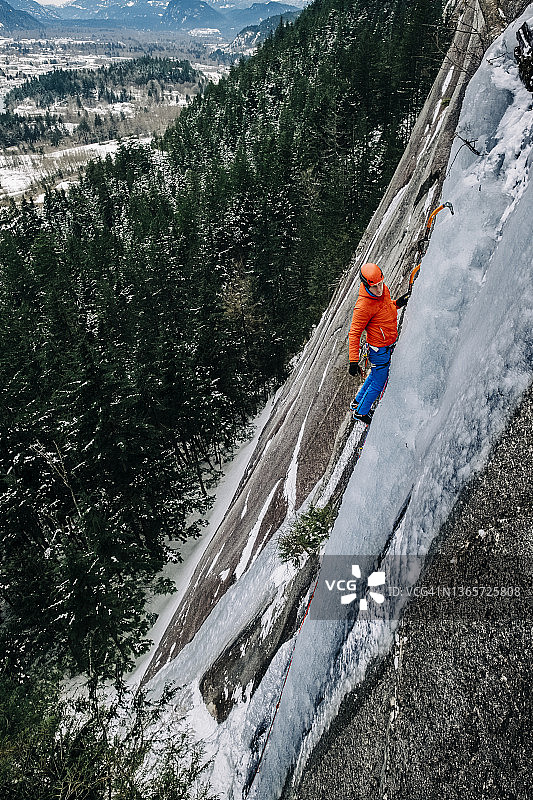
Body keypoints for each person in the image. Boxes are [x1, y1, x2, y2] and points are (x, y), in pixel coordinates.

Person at [348, 262, 409, 424]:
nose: (379, 289)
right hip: (378, 349)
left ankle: (357, 402)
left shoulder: (384, 290)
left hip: (386, 343)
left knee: (375, 375)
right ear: (366, 285)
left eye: (381, 283)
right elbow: (354, 333)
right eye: (375, 286)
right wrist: (353, 360)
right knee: (379, 380)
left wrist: (398, 303)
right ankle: (361, 413)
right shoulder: (363, 306)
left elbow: (386, 308)